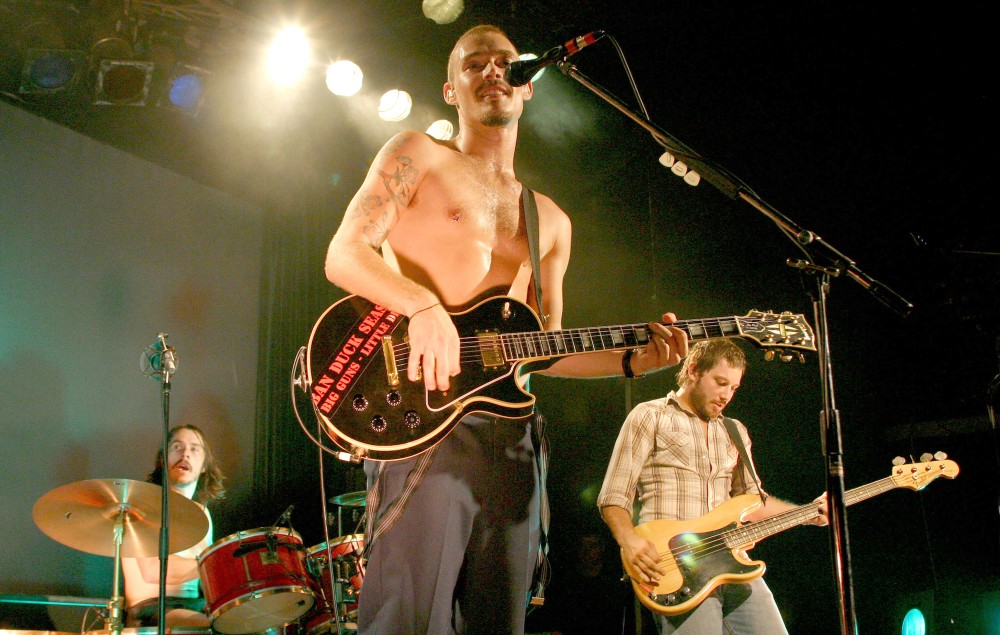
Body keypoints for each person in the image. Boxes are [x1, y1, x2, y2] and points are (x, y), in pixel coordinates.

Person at [323, 24, 689, 635]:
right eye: (474, 65)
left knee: (502, 621)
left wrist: (634, 363)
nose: (493, 72)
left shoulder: (550, 219)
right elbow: (343, 253)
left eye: (504, 63)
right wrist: (421, 305)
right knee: (407, 618)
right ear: (451, 89)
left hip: (513, 438)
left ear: (526, 90)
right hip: (424, 420)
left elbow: (543, 347)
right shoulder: (417, 154)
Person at [597, 340, 828, 634]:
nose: (726, 396)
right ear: (693, 370)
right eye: (720, 383)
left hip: (733, 563)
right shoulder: (650, 415)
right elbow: (613, 495)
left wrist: (809, 513)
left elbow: (753, 503)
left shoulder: (735, 431)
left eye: (733, 388)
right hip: (676, 567)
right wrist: (629, 541)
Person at [122, 424, 226, 628]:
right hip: (151, 609)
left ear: (205, 465)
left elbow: (207, 584)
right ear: (162, 460)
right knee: (220, 628)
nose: (185, 453)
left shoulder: (203, 513)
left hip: (194, 606)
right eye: (177, 447)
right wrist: (213, 564)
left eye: (195, 449)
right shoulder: (146, 505)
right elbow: (153, 571)